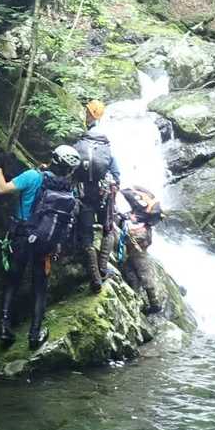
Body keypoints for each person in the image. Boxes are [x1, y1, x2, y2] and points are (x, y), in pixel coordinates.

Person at [0, 145, 81, 350]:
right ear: (69, 170)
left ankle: (5, 330)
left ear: (53, 159)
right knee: (40, 289)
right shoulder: (69, 189)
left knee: (13, 281)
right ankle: (34, 335)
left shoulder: (33, 176)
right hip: (46, 243)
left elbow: (1, 188)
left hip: (22, 237)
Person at [73, 100, 121, 292]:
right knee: (108, 229)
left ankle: (95, 279)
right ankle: (103, 268)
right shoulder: (106, 146)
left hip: (84, 194)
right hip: (103, 194)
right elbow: (116, 175)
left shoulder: (80, 143)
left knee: (86, 236)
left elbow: (72, 172)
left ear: (90, 115)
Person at [117, 185, 165, 316]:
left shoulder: (135, 202)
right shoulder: (144, 201)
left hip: (138, 239)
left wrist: (127, 217)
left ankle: (155, 303)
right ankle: (136, 297)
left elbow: (133, 219)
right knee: (129, 269)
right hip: (142, 236)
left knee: (143, 269)